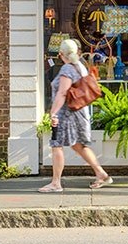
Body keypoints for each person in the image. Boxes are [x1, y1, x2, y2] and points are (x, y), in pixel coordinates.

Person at [39, 38, 113, 192]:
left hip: (67, 115)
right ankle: (101, 173)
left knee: (56, 145)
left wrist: (53, 112)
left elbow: (62, 92)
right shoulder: (80, 66)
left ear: (61, 54)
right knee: (78, 145)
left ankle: (55, 183)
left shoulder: (67, 69)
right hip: (80, 113)